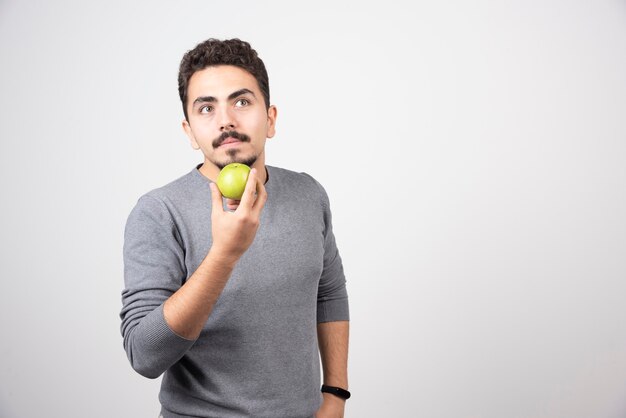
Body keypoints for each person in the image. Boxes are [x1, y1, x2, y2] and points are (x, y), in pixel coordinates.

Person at [120, 38, 350, 418]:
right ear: (190, 132)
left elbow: (329, 293)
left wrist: (335, 394)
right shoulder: (159, 212)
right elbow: (144, 355)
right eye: (206, 108)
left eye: (241, 102)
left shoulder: (309, 194)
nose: (226, 119)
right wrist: (224, 254)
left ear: (271, 119)